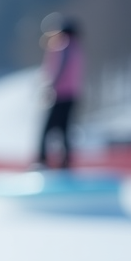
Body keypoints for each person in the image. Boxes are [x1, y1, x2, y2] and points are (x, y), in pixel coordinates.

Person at [37, 16, 84, 170]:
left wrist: (50, 85)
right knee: (64, 130)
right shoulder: (77, 48)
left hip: (60, 95)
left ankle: (42, 161)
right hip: (73, 96)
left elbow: (60, 68)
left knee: (47, 129)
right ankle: (66, 163)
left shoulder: (63, 47)